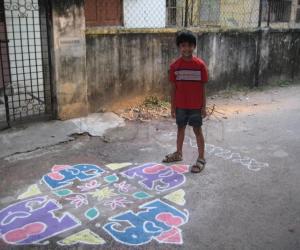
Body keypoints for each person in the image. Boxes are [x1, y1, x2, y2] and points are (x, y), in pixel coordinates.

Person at [162, 30, 209, 173]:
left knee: (197, 130)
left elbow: (203, 88)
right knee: (180, 129)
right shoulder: (174, 66)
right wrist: (172, 107)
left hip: (196, 106)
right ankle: (178, 153)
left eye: (189, 45)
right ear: (179, 47)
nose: (186, 49)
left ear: (194, 47)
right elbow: (173, 89)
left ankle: (201, 158)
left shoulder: (200, 65)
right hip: (180, 106)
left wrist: (203, 107)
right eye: (183, 46)